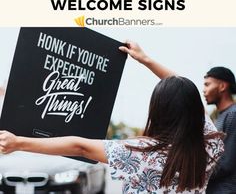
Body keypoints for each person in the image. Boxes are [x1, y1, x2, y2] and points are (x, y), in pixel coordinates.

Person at [0, 42, 224, 194]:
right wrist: (145, 60)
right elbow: (187, 96)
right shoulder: (210, 145)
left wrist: (19, 142)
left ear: (158, 110)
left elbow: (79, 146)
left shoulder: (142, 152)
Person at [204, 66, 236, 194]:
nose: (204, 90)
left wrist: (194, 174)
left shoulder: (233, 115)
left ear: (222, 86)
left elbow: (225, 163)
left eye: (207, 84)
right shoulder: (222, 116)